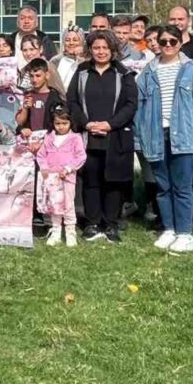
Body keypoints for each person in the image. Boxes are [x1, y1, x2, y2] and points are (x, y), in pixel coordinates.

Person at [134, 25, 193, 253]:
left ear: (180, 43)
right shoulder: (148, 72)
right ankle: (169, 229)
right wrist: (139, 137)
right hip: (156, 135)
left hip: (184, 135)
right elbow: (139, 107)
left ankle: (185, 233)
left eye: (173, 41)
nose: (168, 45)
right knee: (163, 186)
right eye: (163, 41)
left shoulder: (192, 70)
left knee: (183, 187)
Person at [67, 31, 137, 242]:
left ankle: (111, 223)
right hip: (88, 135)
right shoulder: (81, 71)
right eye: (96, 47)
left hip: (115, 136)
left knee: (113, 181)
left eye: (105, 48)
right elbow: (72, 101)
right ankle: (92, 222)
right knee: (91, 180)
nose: (101, 52)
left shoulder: (123, 73)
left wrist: (110, 125)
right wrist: (86, 123)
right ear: (90, 49)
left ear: (113, 50)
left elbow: (131, 104)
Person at [36, 104, 87, 247]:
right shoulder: (49, 137)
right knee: (54, 205)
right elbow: (41, 155)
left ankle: (70, 232)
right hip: (52, 179)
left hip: (67, 178)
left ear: (70, 122)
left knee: (68, 205)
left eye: (65, 123)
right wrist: (44, 168)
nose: (61, 127)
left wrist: (68, 169)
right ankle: (56, 231)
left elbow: (81, 156)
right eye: (57, 123)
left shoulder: (75, 138)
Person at [51, 25, 87, 91]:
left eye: (75, 40)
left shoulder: (87, 61)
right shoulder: (55, 61)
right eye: (67, 40)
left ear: (81, 42)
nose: (71, 43)